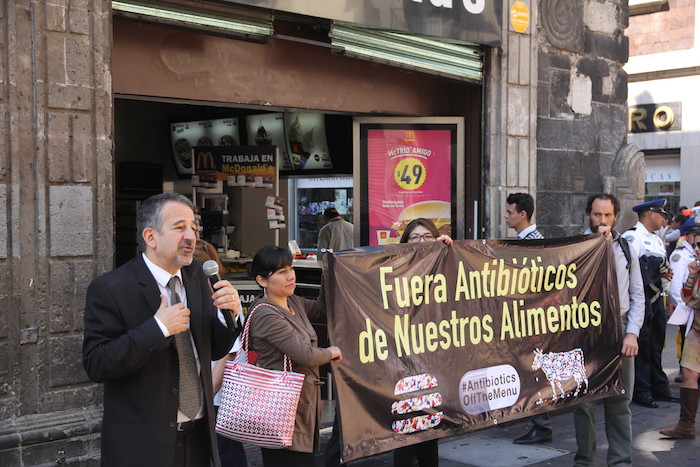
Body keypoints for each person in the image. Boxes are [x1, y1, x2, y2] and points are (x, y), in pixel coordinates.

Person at [82, 192, 242, 467]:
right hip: (143, 445)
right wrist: (157, 329)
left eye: (193, 227)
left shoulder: (197, 278)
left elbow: (213, 348)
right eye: (180, 227)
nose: (191, 236)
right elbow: (97, 363)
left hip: (199, 439)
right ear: (150, 237)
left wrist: (232, 315)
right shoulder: (110, 288)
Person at [248, 246, 343, 467]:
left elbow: (322, 308)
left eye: (291, 269)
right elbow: (305, 355)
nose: (291, 276)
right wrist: (331, 352)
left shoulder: (294, 303)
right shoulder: (264, 312)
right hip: (280, 409)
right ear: (262, 281)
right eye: (281, 272)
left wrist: (327, 270)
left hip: (301, 408)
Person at [573, 193, 645, 466]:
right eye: (596, 214)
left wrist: (632, 332)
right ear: (588, 214)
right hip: (584, 331)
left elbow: (637, 295)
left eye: (607, 215)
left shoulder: (627, 248)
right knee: (584, 404)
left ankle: (620, 461)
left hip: (620, 328)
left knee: (619, 402)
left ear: (615, 217)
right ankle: (584, 461)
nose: (601, 220)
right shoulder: (575, 247)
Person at [392, 218, 452, 467]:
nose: (421, 242)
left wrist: (448, 249)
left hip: (431, 359)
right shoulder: (394, 266)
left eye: (427, 236)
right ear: (405, 242)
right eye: (414, 237)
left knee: (430, 426)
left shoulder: (442, 263)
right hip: (404, 360)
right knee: (405, 428)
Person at [623, 198, 680, 408]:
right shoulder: (632, 237)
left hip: (657, 300)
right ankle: (642, 390)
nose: (664, 218)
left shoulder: (656, 239)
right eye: (661, 214)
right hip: (641, 300)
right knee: (643, 347)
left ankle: (659, 387)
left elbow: (660, 269)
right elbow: (630, 273)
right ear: (649, 214)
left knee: (656, 346)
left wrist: (665, 274)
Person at [504, 193, 551, 444]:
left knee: (534, 371)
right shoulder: (527, 240)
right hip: (527, 318)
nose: (506, 216)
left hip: (533, 319)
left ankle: (541, 425)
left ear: (523, 214)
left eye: (510, 212)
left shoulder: (532, 243)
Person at [661, 217, 700, 439]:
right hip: (696, 328)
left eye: (699, 245)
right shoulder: (694, 266)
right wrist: (692, 276)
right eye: (694, 245)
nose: (696, 249)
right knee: (688, 373)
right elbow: (686, 297)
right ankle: (686, 424)